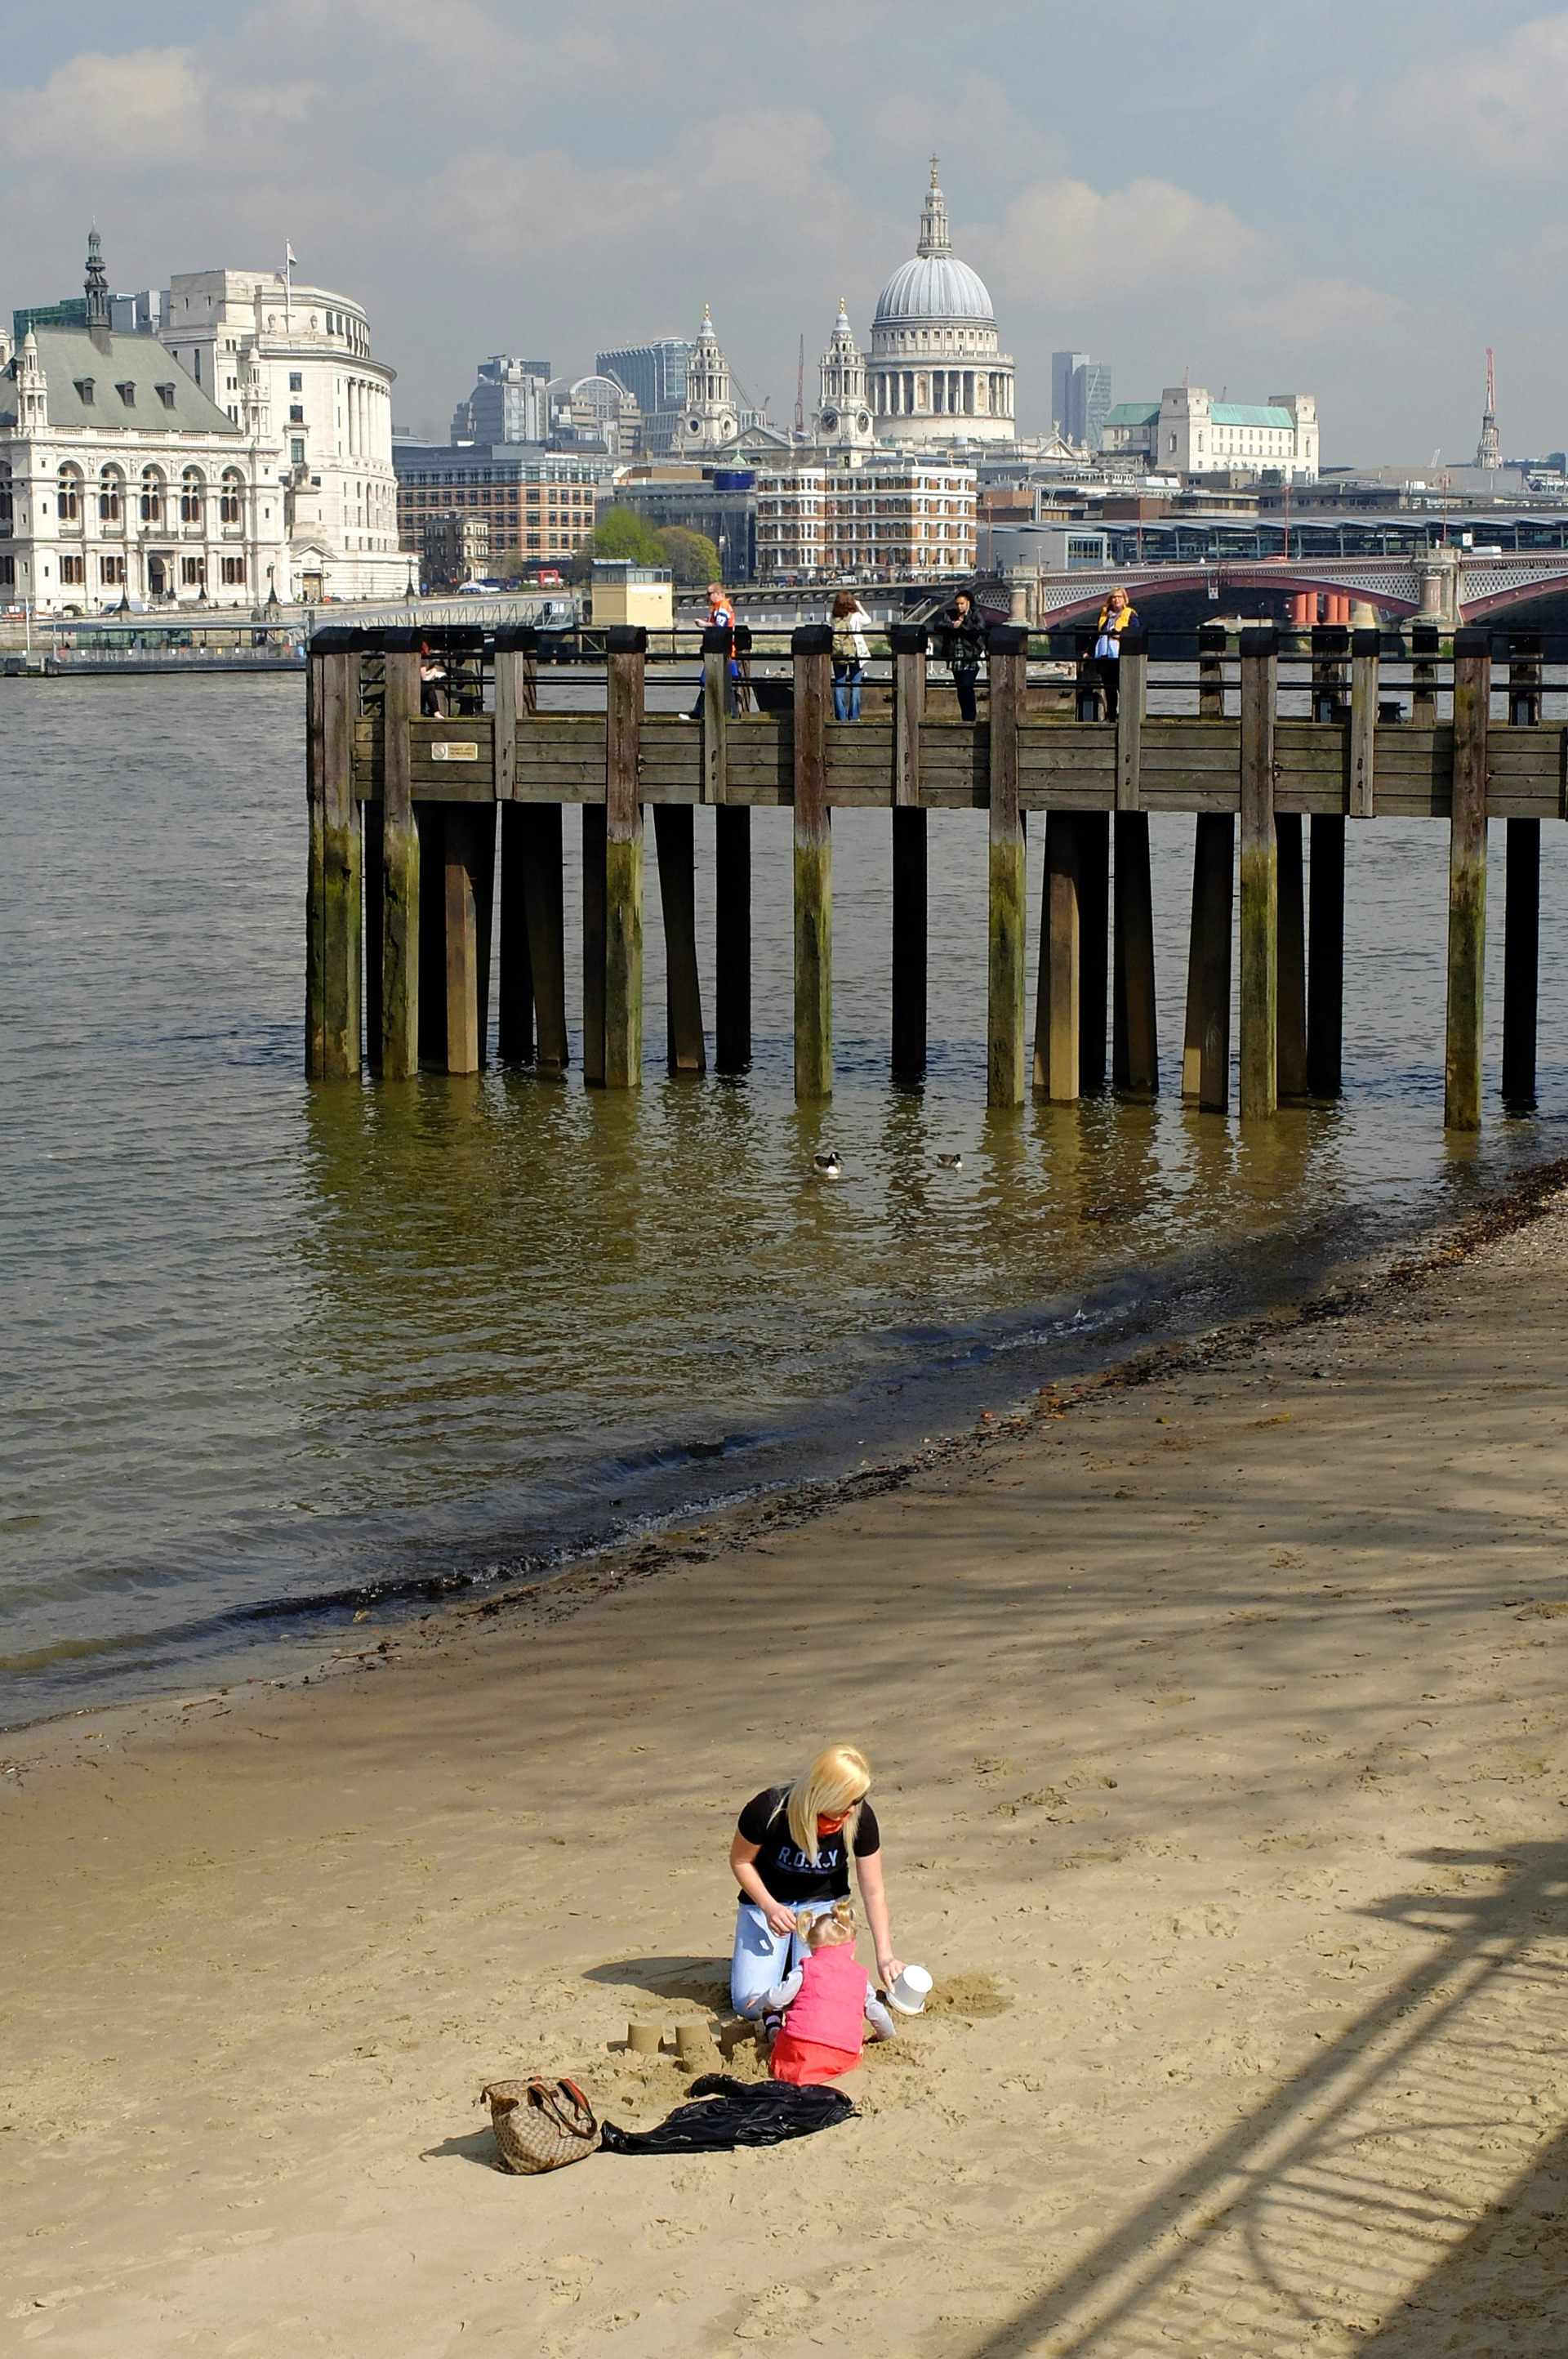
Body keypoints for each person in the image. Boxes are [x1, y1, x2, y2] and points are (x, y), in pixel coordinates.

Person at [728, 1744, 905, 2018]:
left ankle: (791, 1962)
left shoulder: (860, 1818)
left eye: (852, 1807)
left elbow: (873, 1891)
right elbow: (740, 1861)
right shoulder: (768, 1810)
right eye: (836, 1813)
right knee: (750, 2006)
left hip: (824, 1907)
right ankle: (785, 1959)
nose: (844, 1817)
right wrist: (769, 1906)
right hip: (767, 1905)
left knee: (824, 1993)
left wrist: (885, 1956)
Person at [760, 1901, 896, 2085]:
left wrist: (762, 2001)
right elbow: (878, 2014)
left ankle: (772, 2025)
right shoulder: (861, 1977)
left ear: (813, 1947)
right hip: (841, 2055)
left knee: (779, 2035)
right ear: (851, 1946)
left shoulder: (806, 1968)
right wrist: (885, 2036)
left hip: (798, 2050)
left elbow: (776, 1998)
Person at [686, 582, 737, 720]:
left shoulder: (722, 607)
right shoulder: (717, 607)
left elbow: (720, 626)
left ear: (718, 593)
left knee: (708, 681)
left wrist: (704, 624)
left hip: (720, 652)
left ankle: (698, 713)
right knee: (726, 683)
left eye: (709, 593)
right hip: (721, 651)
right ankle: (732, 714)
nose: (707, 596)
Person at [1091, 585, 1138, 721]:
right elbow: (1097, 633)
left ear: (1124, 599)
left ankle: (1127, 716)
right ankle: (1111, 715)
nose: (1116, 600)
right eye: (1113, 597)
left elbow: (1135, 631)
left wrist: (1120, 636)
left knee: (1122, 686)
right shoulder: (1104, 614)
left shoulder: (1130, 614)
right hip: (1105, 654)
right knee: (1109, 687)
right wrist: (1088, 651)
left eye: (1119, 597)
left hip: (1121, 655)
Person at [943, 588, 986, 722]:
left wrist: (961, 626)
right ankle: (965, 717)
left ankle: (971, 716)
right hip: (956, 656)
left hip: (971, 656)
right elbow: (939, 626)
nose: (959, 606)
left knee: (967, 685)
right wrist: (952, 625)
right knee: (961, 689)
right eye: (957, 604)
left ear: (968, 603)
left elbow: (980, 627)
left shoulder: (976, 613)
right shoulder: (950, 614)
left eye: (962, 603)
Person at [831, 589, 871, 722]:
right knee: (855, 684)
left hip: (838, 653)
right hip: (855, 652)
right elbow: (868, 620)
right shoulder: (855, 616)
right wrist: (859, 606)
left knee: (839, 684)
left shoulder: (833, 618)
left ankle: (841, 717)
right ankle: (854, 716)